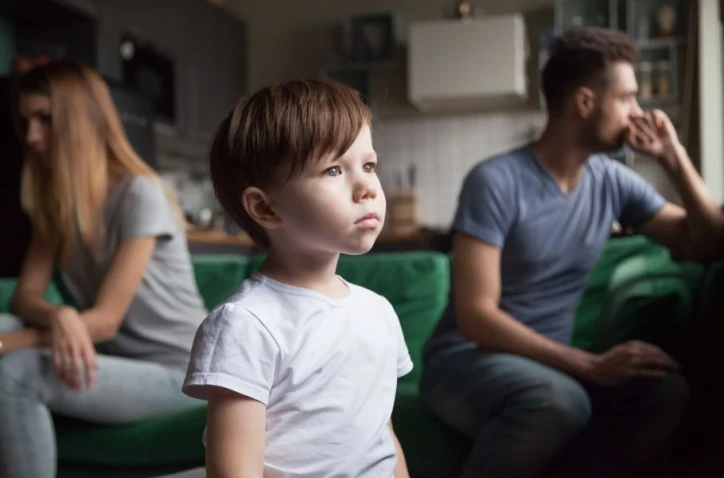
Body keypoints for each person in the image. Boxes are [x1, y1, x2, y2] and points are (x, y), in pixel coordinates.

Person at [420, 27, 724, 478]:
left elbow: (710, 244)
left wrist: (674, 158)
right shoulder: (495, 181)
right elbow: (476, 317)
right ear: (585, 103)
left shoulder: (611, 181)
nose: (639, 113)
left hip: (545, 369)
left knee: (664, 392)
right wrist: (590, 365)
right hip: (462, 362)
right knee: (557, 402)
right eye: (628, 98)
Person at [182, 78, 412, 477]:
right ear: (265, 208)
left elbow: (383, 440)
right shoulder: (246, 324)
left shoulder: (379, 312)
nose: (367, 189)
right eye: (334, 169)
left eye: (369, 165)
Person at [0, 60, 206, 478]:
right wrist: (60, 314)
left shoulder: (139, 194)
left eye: (45, 119)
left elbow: (107, 321)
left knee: (13, 373)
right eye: (26, 123)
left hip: (183, 373)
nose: (33, 137)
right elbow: (25, 296)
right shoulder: (58, 206)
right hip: (112, 359)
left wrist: (9, 345)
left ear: (80, 121)